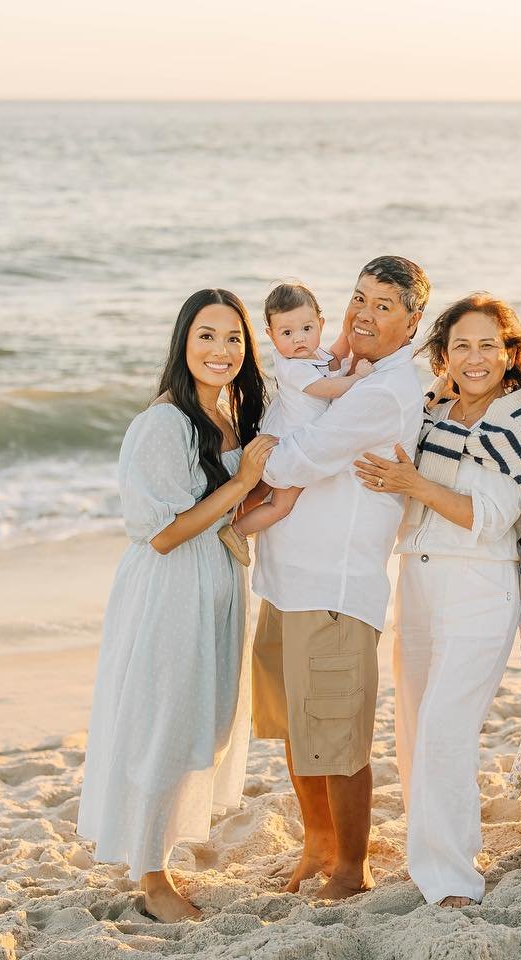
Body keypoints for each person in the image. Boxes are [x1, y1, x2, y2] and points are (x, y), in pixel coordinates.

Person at [77, 289, 276, 922]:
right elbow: (162, 532)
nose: (221, 350)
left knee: (202, 725)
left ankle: (158, 852)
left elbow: (226, 514)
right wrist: (244, 482)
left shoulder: (224, 416)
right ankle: (152, 877)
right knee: (163, 727)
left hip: (214, 583)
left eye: (233, 339)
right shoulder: (163, 422)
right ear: (183, 344)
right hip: (169, 588)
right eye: (207, 337)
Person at [352, 293, 521, 908]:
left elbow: (491, 516)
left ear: (510, 352)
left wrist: (414, 482)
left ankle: (454, 879)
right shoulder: (431, 414)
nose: (475, 356)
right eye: (460, 344)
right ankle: (428, 858)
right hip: (419, 579)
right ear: (443, 354)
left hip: (480, 585)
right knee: (412, 730)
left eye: (489, 343)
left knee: (444, 731)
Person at [249, 255, 429, 900]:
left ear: (411, 325)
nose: (364, 314)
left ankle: (352, 867)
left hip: (334, 588)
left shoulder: (386, 391)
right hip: (283, 580)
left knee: (339, 735)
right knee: (300, 728)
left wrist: (256, 465)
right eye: (359, 298)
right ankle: (318, 844)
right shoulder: (338, 369)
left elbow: (300, 457)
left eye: (384, 306)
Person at [226, 281, 374, 550]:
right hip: (291, 449)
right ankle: (236, 531)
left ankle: (228, 518)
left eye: (307, 329)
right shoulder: (294, 368)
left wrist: (347, 333)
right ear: (271, 336)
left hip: (285, 437)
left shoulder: (309, 353)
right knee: (281, 505)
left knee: (260, 490)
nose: (299, 339)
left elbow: (334, 357)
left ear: (320, 324)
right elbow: (327, 387)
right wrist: (357, 378)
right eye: (287, 333)